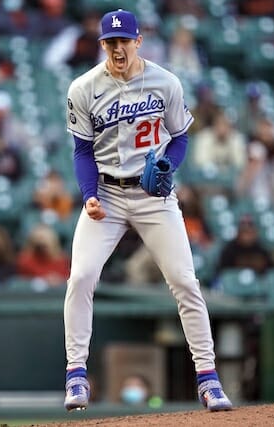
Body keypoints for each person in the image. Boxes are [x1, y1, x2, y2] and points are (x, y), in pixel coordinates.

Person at [62, 9, 232, 412]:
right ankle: (76, 374)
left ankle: (208, 379)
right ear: (102, 45)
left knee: (185, 282)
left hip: (152, 195)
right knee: (81, 276)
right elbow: (82, 152)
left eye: (124, 41)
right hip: (106, 193)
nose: (117, 48)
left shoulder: (165, 82)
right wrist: (89, 194)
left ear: (138, 41)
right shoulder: (83, 87)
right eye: (110, 42)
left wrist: (168, 166)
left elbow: (180, 137)